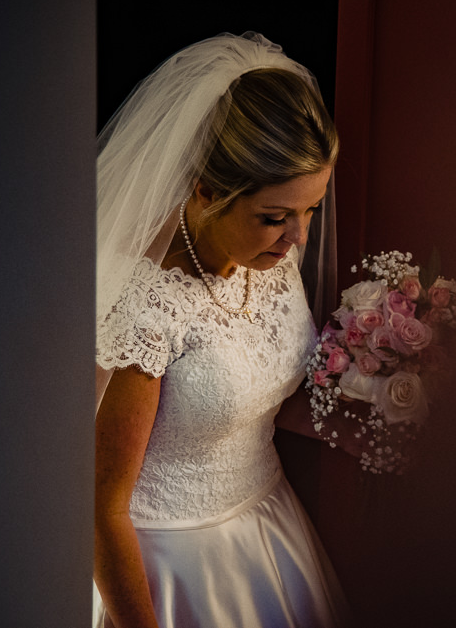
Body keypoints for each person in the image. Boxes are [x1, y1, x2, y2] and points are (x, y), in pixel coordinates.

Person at [93, 33, 349, 628]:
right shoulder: (148, 305)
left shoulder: (271, 261)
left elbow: (260, 391)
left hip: (271, 527)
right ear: (206, 192)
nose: (298, 240)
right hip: (174, 564)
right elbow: (100, 507)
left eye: (310, 209)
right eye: (274, 217)